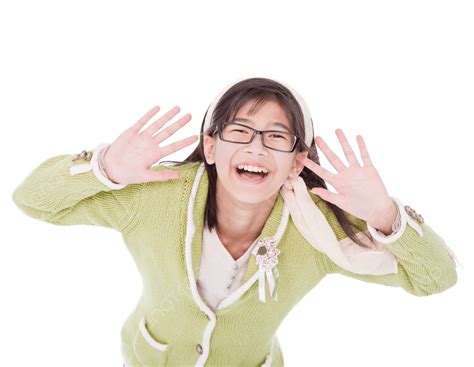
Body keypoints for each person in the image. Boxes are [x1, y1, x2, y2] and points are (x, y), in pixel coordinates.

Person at [12, 76, 459, 367]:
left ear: (297, 162)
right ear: (211, 148)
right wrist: (104, 167)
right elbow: (33, 200)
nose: (256, 148)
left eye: (276, 137)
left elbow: (435, 279)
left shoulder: (319, 233)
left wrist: (384, 214)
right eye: (239, 132)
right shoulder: (154, 194)